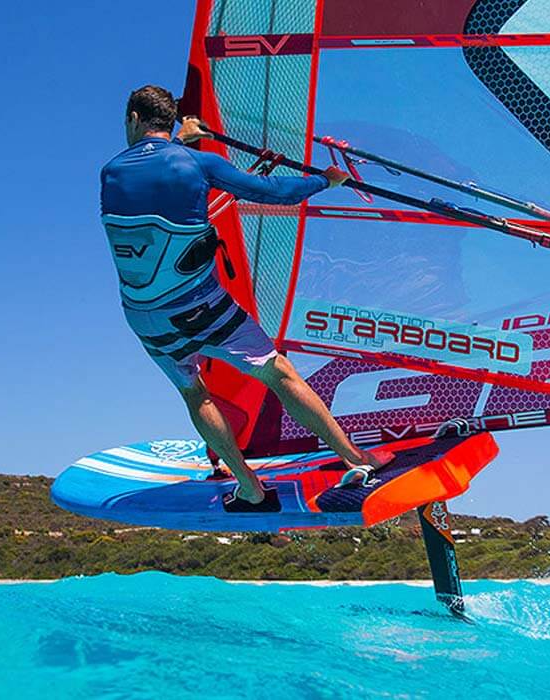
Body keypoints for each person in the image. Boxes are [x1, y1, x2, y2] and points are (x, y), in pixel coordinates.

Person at [100, 85, 391, 508]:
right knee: (279, 374)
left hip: (145, 316)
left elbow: (153, 170)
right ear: (170, 121)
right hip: (202, 306)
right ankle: (355, 458)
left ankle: (249, 487)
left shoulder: (110, 172)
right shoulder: (198, 164)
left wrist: (184, 140)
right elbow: (272, 192)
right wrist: (324, 181)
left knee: (194, 392)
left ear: (132, 118)